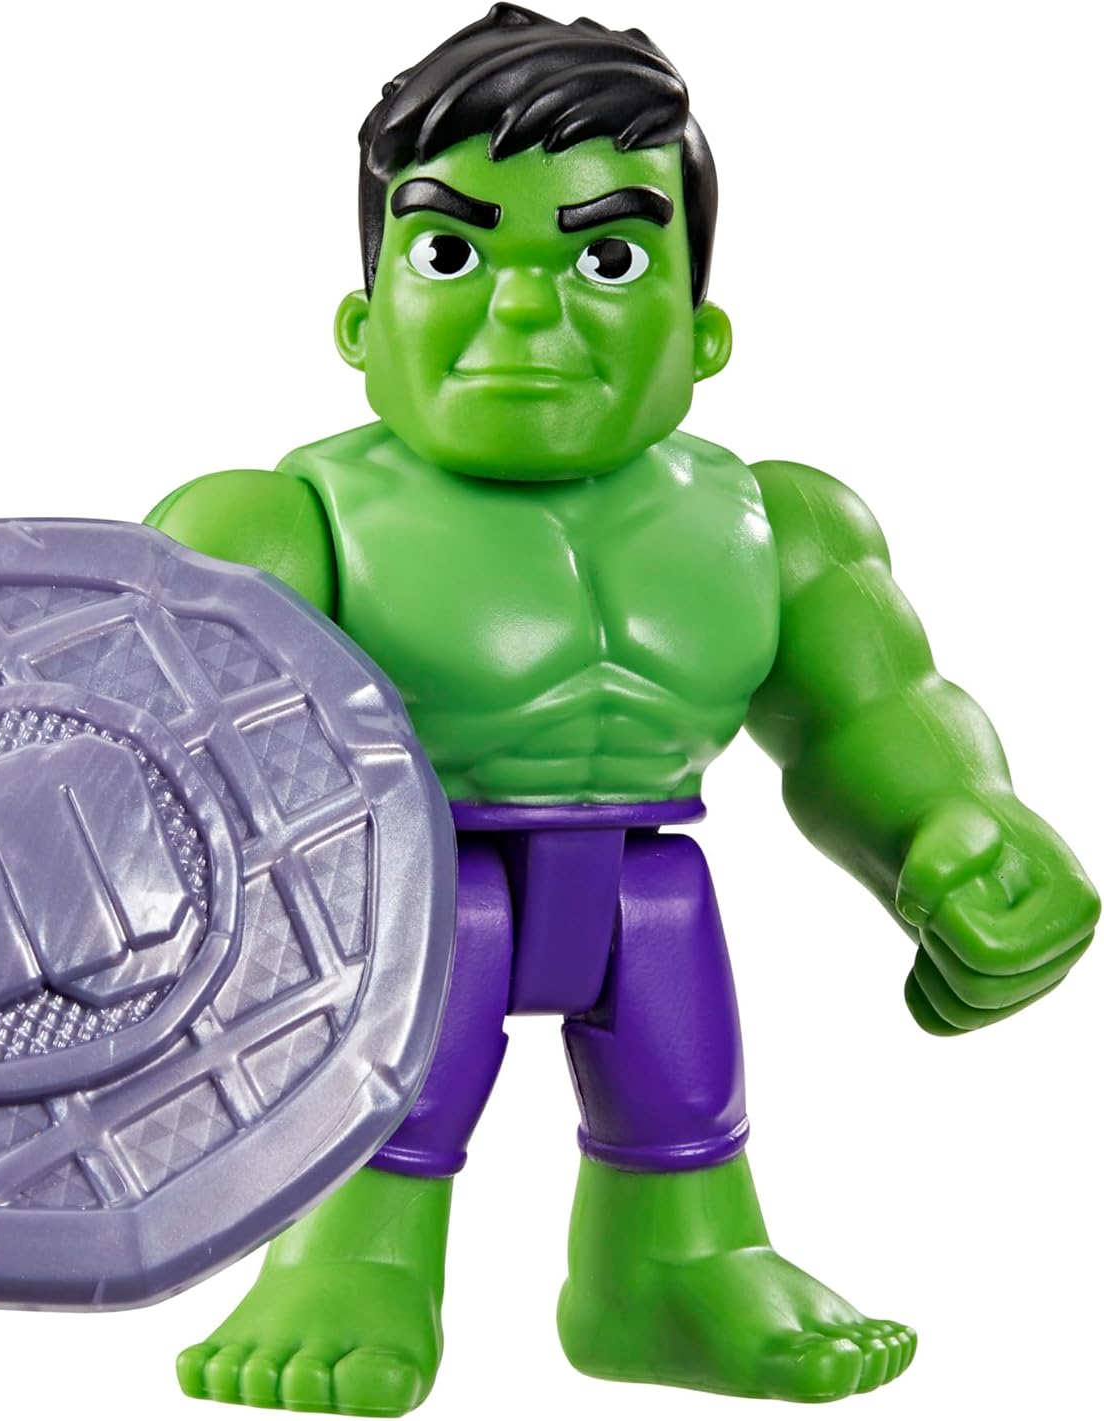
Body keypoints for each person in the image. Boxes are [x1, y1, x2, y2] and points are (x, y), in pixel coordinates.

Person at [146, 7, 1098, 1412]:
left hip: (645, 876)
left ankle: (674, 1269)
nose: (527, 310)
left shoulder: (778, 523)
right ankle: (349, 1258)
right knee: (426, 995)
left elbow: (875, 709)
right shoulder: (284, 523)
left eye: (606, 258)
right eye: (452, 253)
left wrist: (962, 830)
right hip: (405, 894)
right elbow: (133, 769)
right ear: (361, 320)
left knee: (673, 989)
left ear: (703, 329)